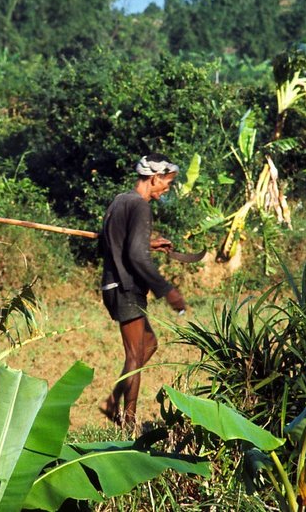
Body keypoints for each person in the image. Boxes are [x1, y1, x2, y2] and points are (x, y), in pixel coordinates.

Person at [98, 153, 187, 430]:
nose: (167, 189)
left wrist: (149, 243)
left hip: (116, 285)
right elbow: (135, 257)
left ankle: (113, 400)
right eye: (167, 183)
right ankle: (128, 421)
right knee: (135, 356)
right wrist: (167, 290)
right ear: (154, 178)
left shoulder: (120, 201)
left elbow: (113, 244)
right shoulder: (140, 206)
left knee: (149, 345)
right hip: (126, 287)